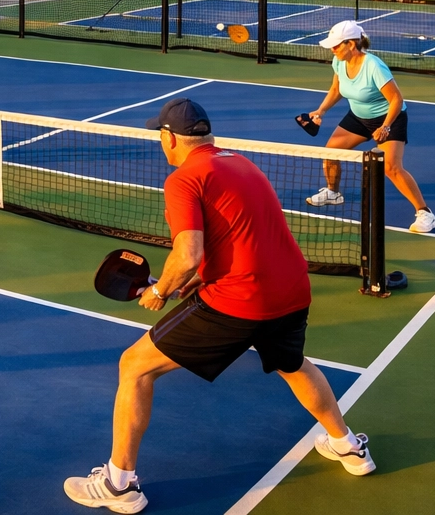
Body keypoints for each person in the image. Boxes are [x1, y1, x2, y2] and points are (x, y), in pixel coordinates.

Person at [63, 97, 374, 512]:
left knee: (134, 366)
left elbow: (188, 252)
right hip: (292, 289)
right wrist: (184, 284)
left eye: (161, 134)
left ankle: (119, 485)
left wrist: (159, 292)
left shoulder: (184, 180)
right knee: (292, 364)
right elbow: (233, 242)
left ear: (169, 138)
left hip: (240, 300)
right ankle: (348, 447)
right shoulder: (241, 163)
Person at [303, 20, 435, 233]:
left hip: (388, 117)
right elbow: (337, 89)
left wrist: (385, 127)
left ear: (351, 44)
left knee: (390, 168)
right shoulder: (339, 61)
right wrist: (321, 111)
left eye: (336, 45)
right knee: (330, 153)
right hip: (358, 117)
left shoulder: (373, 66)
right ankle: (333, 193)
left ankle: (425, 213)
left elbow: (396, 99)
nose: (332, 49)